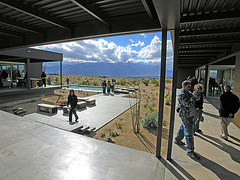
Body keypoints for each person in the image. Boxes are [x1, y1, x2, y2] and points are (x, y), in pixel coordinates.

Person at [174, 80, 200, 159]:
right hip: (186, 115)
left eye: (190, 86)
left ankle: (177, 139)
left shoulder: (188, 93)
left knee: (183, 127)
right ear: (183, 86)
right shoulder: (181, 94)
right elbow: (187, 104)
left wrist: (197, 94)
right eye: (188, 87)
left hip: (189, 115)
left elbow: (196, 99)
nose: (190, 88)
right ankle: (190, 151)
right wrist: (193, 98)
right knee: (189, 134)